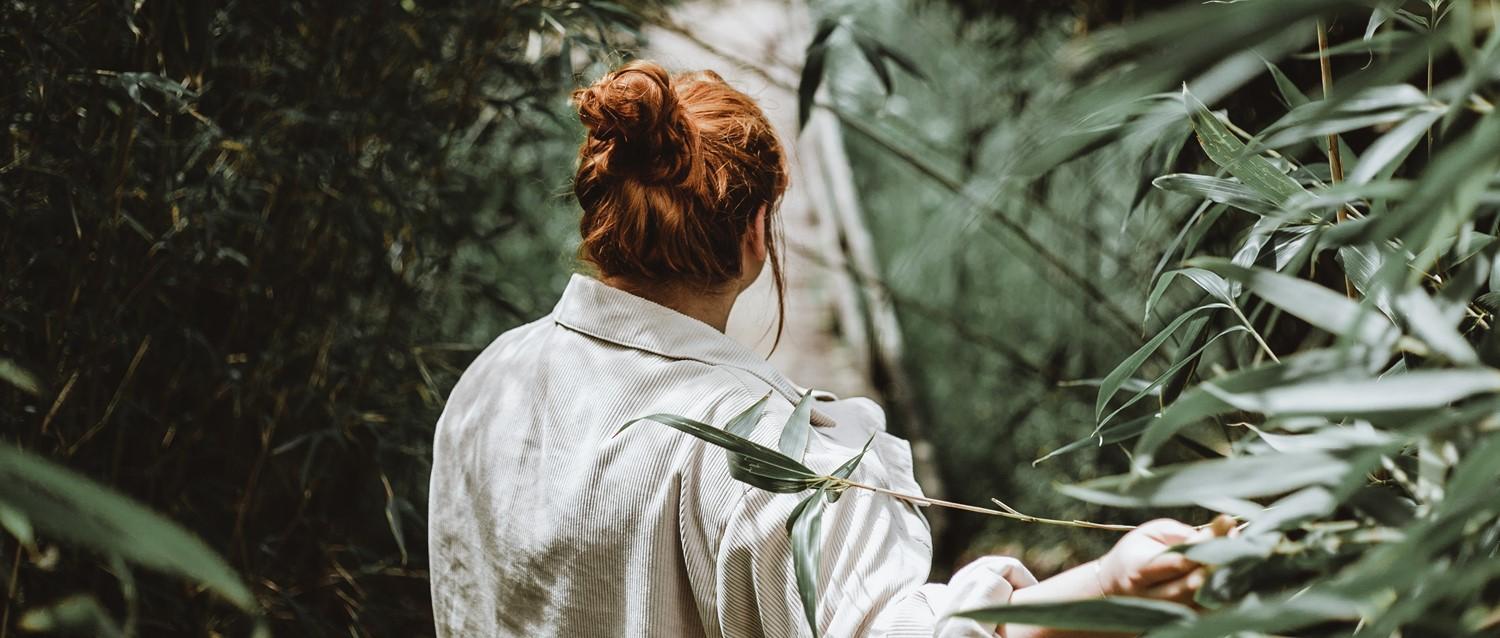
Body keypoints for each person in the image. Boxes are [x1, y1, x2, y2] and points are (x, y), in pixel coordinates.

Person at [427, 60, 1210, 638]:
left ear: (600, 218)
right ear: (759, 236)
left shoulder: (489, 382)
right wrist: (1108, 583)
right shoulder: (768, 454)